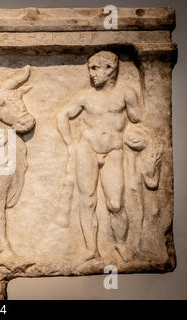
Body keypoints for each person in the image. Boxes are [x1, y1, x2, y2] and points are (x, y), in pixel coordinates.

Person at [56, 51, 141, 262]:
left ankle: (120, 244)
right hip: (86, 148)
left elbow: (139, 119)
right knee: (87, 201)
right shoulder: (85, 96)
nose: (92, 74)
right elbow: (62, 115)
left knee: (115, 203)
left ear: (110, 69)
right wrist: (69, 145)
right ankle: (91, 248)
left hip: (113, 150)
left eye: (96, 68)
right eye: (90, 68)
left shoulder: (126, 93)